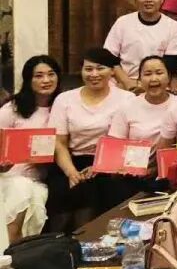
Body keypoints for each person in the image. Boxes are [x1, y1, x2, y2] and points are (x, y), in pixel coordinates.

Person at [49, 48, 134, 232]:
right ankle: (61, 243)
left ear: (112, 71)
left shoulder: (126, 99)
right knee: (68, 190)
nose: (94, 74)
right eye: (88, 69)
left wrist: (99, 166)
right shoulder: (64, 99)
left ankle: (88, 241)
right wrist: (71, 172)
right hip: (71, 161)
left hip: (110, 164)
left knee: (99, 190)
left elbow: (125, 141)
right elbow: (59, 142)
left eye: (100, 68)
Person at [0, 56, 60, 246]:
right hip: (8, 176)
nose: (46, 80)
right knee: (22, 188)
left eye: (51, 74)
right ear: (28, 80)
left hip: (39, 178)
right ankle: (9, 250)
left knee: (32, 191)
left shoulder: (63, 106)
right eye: (39, 76)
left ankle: (13, 251)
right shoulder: (13, 108)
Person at [107, 55, 177, 196]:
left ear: (169, 77)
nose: (153, 78)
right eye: (147, 74)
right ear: (139, 80)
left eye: (159, 73)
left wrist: (156, 169)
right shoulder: (127, 107)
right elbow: (115, 146)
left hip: (170, 174)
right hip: (133, 176)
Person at [104, 0, 177, 92]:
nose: (148, 0)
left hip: (158, 83)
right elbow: (109, 57)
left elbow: (171, 61)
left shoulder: (172, 26)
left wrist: (151, 84)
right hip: (125, 81)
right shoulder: (122, 22)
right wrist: (127, 82)